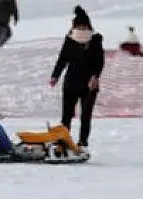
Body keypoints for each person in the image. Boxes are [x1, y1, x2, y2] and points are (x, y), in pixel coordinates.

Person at [49, 5, 104, 160]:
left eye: (83, 26)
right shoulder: (70, 39)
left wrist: (95, 76)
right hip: (71, 82)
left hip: (89, 85)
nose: (80, 28)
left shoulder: (95, 40)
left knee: (86, 116)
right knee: (66, 116)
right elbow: (63, 59)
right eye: (78, 26)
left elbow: (99, 61)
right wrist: (55, 76)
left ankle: (82, 143)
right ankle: (63, 142)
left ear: (88, 26)